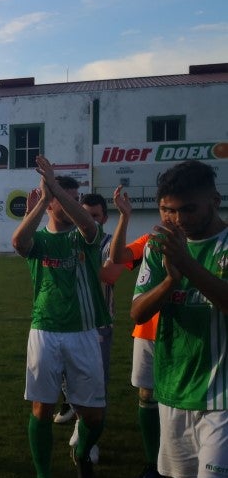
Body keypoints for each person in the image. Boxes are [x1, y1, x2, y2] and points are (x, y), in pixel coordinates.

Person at [129, 160, 228, 478]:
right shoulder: (157, 248)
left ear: (215, 200)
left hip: (222, 393)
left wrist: (188, 265)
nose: (177, 219)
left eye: (188, 209)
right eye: (168, 210)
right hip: (174, 389)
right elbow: (136, 312)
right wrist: (172, 277)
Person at [11, 156, 110, 478]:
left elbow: (88, 225)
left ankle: (82, 454)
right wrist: (40, 201)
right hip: (45, 331)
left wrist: (54, 187)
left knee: (93, 415)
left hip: (84, 331)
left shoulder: (86, 236)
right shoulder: (39, 240)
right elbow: (18, 242)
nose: (73, 203)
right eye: (62, 197)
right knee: (41, 408)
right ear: (48, 201)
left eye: (74, 197)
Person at [58, 189, 132, 462]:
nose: (90, 220)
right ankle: (79, 418)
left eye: (96, 216)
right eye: (85, 215)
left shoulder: (110, 242)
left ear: (104, 218)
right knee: (66, 377)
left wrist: (68, 265)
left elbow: (111, 273)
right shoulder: (67, 240)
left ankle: (89, 437)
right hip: (66, 322)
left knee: (95, 382)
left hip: (98, 324)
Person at [123, 232, 163, 478]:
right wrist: (124, 217)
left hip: (189, 333)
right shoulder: (152, 240)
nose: (171, 216)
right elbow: (119, 258)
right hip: (147, 330)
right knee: (147, 395)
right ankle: (152, 464)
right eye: (165, 209)